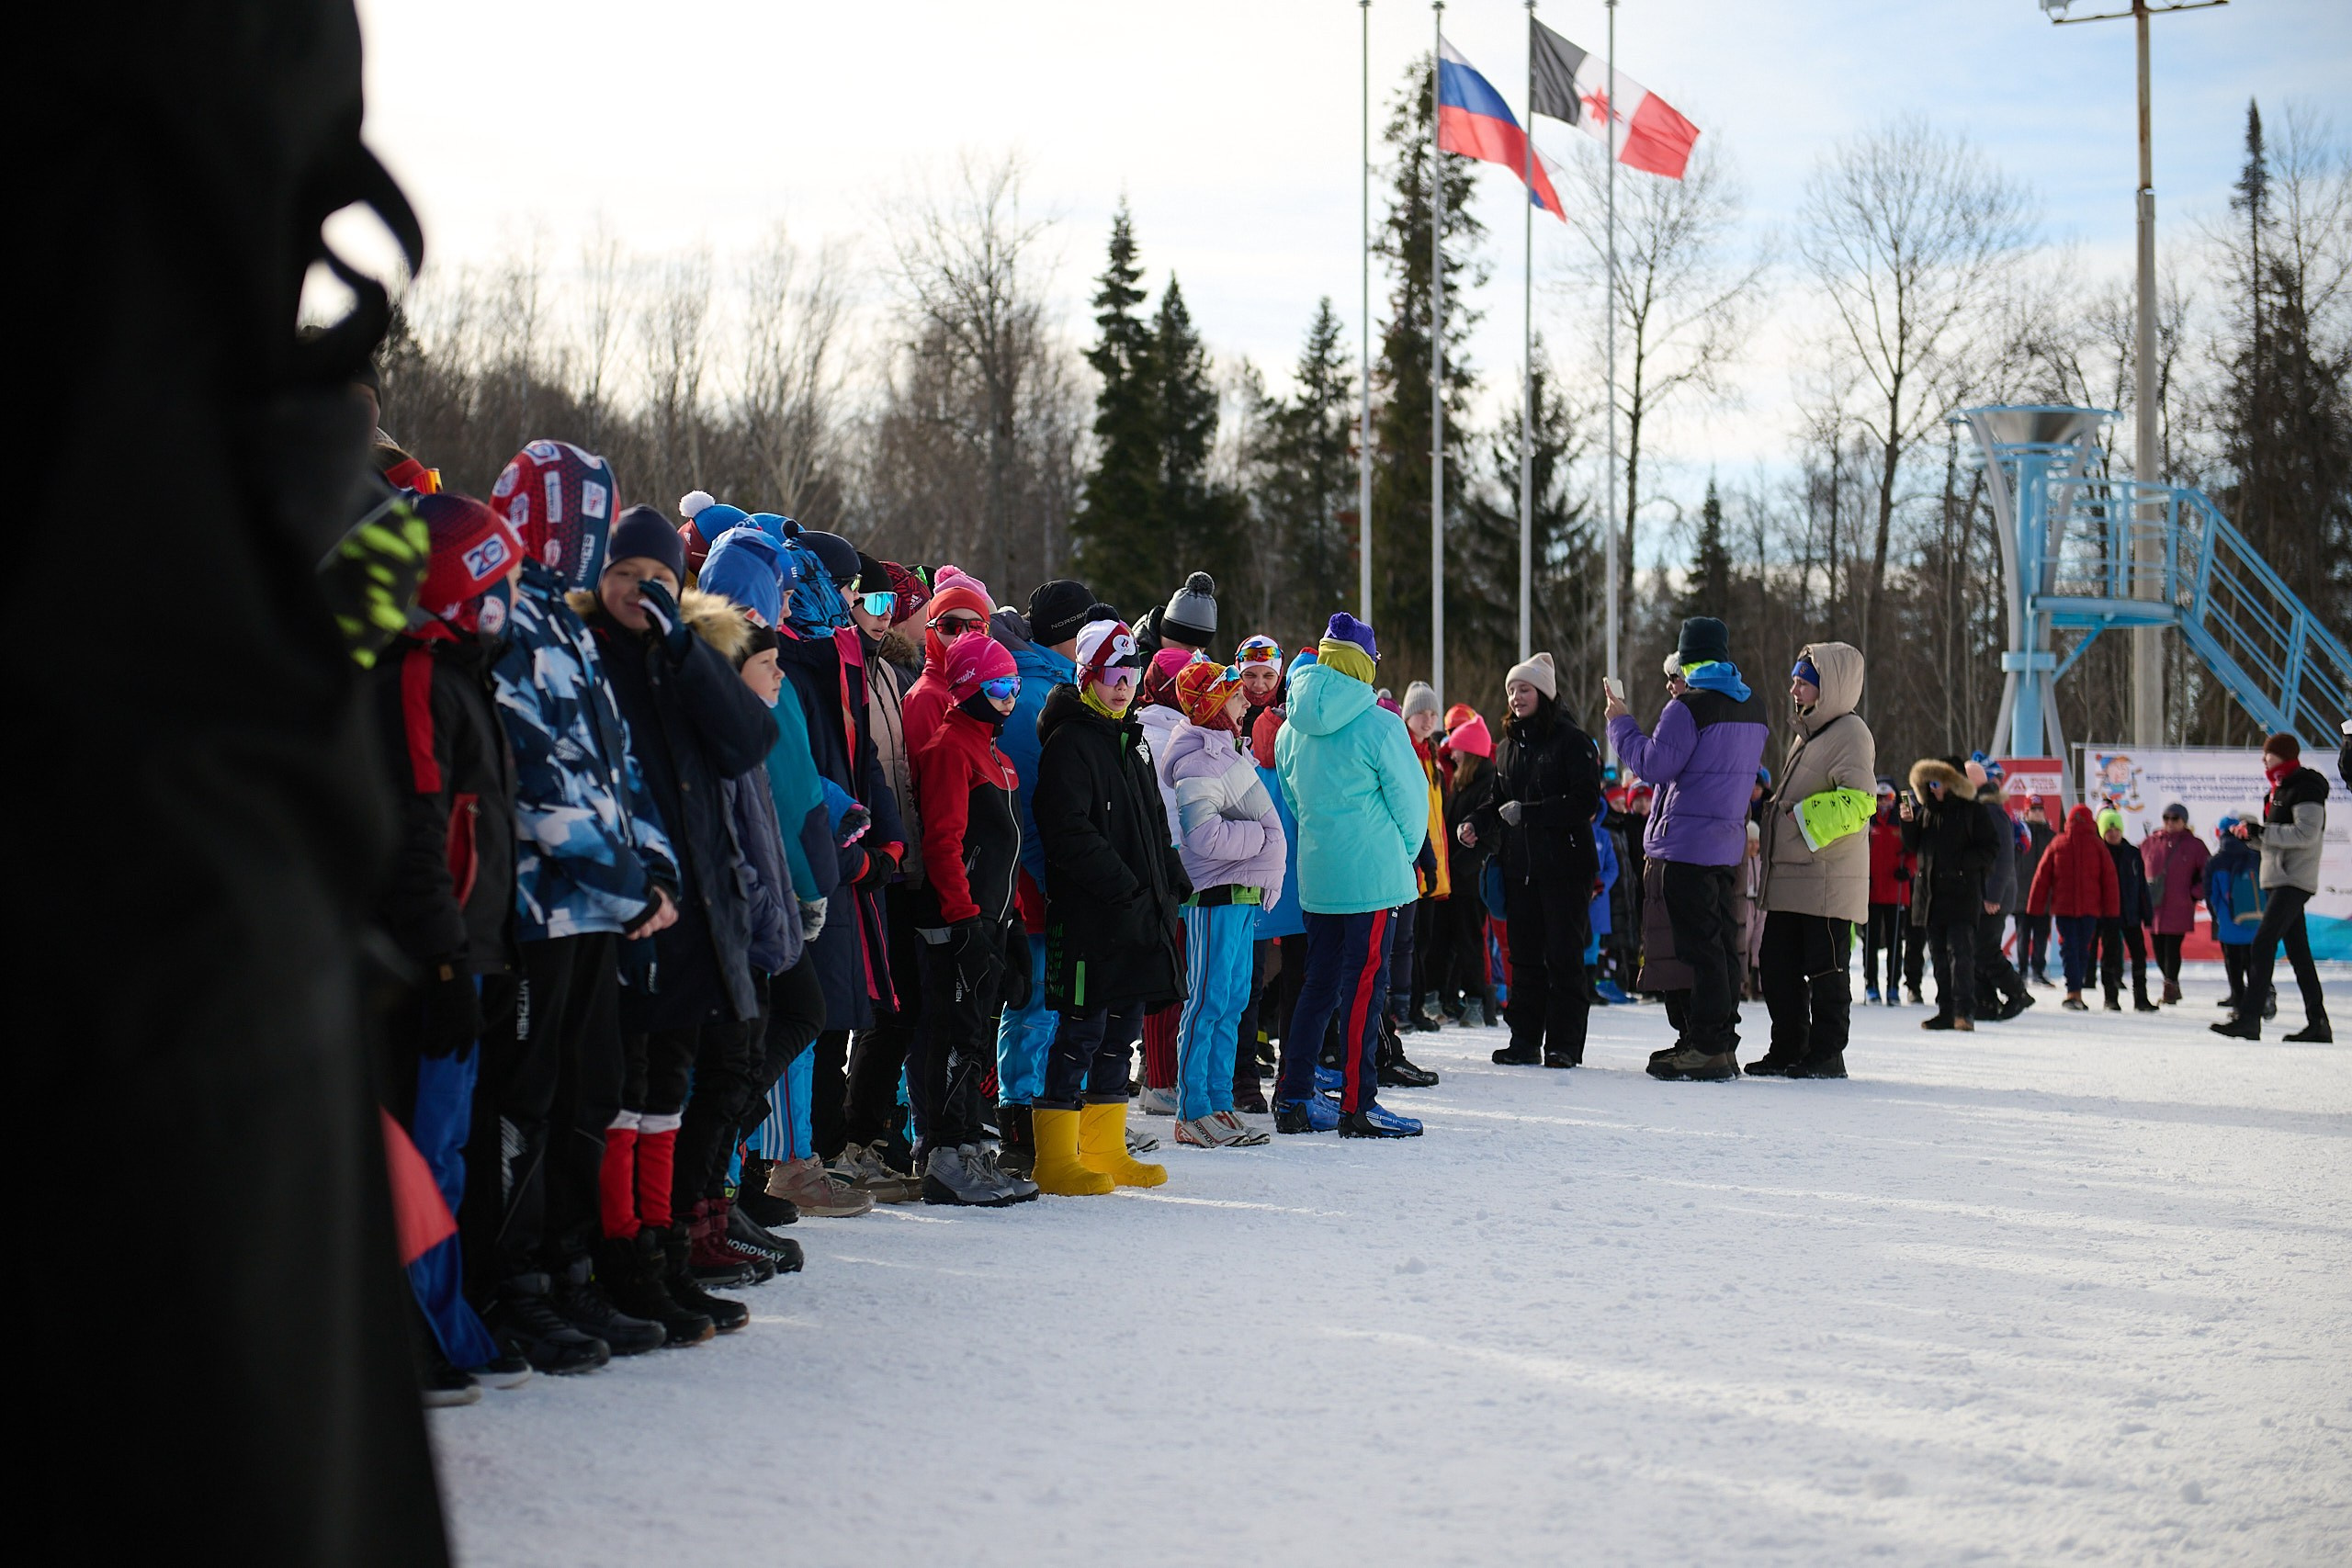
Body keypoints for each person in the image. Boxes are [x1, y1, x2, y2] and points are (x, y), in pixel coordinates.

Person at [476, 441, 680, 1368]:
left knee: (590, 1095)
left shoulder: (567, 626)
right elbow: (534, 781)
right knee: (531, 1096)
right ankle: (513, 1283)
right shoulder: (504, 623)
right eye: (569, 518)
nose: (579, 537)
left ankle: (568, 1273)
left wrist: (656, 870)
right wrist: (625, 880)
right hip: (541, 909)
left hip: (603, 909)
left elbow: (620, 768)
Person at [582, 504, 781, 1343]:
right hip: (623, 909)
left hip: (694, 908)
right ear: (600, 578)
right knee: (623, 1095)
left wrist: (681, 646)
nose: (642, 591)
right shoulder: (584, 655)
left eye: (659, 579)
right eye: (627, 575)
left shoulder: (684, 654)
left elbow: (748, 740)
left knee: (667, 1089)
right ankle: (619, 1259)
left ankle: (660, 1260)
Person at [370, 492, 532, 1402]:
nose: (509, 596)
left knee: (455, 1157)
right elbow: (418, 833)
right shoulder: (417, 680)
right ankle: (408, 1331)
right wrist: (441, 961)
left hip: (473, 952)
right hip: (428, 959)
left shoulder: (467, 676)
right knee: (420, 1157)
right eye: (497, 580)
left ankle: (448, 1317)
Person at [1029, 619, 1184, 1192]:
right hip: (1095, 915)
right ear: (1087, 676)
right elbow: (1067, 831)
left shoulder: (1131, 738)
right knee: (1081, 1031)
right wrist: (1121, 886)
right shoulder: (1071, 742)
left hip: (1137, 913)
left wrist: (1171, 879)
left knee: (1123, 1030)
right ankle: (1056, 1157)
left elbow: (1152, 822)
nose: (1123, 685)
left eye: (1130, 673)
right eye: (1110, 675)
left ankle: (1103, 1146)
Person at [1272, 614, 1431, 1136]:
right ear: (1364, 663)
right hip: (1371, 879)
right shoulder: (1381, 724)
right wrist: (1401, 854)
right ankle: (1357, 1103)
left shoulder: (1291, 727)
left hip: (1319, 879)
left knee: (1316, 985)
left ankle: (1293, 1095)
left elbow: (1294, 802)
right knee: (1365, 988)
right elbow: (1412, 807)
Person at [909, 630, 1044, 1205]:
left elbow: (1006, 851)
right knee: (952, 1035)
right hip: (954, 923)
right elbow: (944, 842)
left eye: (1013, 684)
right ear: (967, 689)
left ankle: (966, 1144)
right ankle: (942, 1152)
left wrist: (1009, 923)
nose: (1010, 697)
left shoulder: (996, 754)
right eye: (999, 686)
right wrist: (964, 923)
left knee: (977, 1034)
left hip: (990, 918)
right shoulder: (948, 748)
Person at [1604, 617, 1770, 1081]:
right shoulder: (1752, 706)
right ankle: (1713, 1038)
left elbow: (1653, 766)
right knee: (1718, 946)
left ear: (1686, 659)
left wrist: (1621, 724)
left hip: (1682, 847)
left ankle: (1707, 1046)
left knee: (1695, 950)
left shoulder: (1687, 707)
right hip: (1725, 846)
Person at [989, 581, 1103, 1170]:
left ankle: (1042, 1114)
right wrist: (1057, 878)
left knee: (1045, 999)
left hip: (1042, 872)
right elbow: (1035, 805)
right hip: (1036, 875)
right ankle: (1021, 1119)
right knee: (1033, 997)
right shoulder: (1037, 694)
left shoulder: (1048, 686)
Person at [1162, 658, 1286, 1147]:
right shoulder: (1197, 760)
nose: (1244, 700)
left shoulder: (1227, 752)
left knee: (1233, 999)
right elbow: (1203, 836)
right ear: (1213, 704)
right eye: (1234, 694)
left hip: (1241, 892)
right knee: (1208, 999)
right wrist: (1260, 836)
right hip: (1215, 893)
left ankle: (1217, 1101)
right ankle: (1192, 1108)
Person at [1463, 652, 1602, 1067]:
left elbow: (1585, 801)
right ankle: (1524, 1038)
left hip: (1566, 869)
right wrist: (1476, 821)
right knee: (1523, 959)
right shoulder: (1507, 748)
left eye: (1524, 689)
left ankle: (1562, 1044)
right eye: (1511, 690)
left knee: (1564, 957)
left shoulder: (1573, 741)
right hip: (1520, 868)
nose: (1516, 697)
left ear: (1544, 692)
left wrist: (1532, 812)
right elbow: (1498, 801)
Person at [1749, 643, 1876, 1078]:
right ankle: (1788, 1046)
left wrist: (1799, 819)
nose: (1793, 689)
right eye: (1795, 680)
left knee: (1825, 971)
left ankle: (1826, 1054)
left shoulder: (1851, 734)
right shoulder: (1811, 732)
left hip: (1826, 880)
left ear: (1831, 688)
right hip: (1792, 876)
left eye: (1803, 682)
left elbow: (1860, 802)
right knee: (1776, 963)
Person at [2213, 733, 2333, 1042]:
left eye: (2269, 754)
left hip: (2293, 878)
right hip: (2279, 877)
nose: (2263, 759)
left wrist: (2263, 831)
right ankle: (2318, 1022)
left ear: (2283, 755)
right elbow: (2274, 838)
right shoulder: (2277, 790)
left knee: (2263, 943)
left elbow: (2305, 834)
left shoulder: (2305, 786)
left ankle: (2250, 1017)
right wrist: (2252, 837)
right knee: (2299, 953)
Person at [1899, 757, 1999, 1031]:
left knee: (1962, 955)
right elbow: (1913, 846)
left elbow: (1991, 848)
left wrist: (1963, 865)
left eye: (1937, 783)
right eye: (1929, 784)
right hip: (1931, 897)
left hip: (1961, 895)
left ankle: (1964, 1011)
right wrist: (1908, 823)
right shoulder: (1928, 811)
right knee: (1939, 957)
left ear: (1952, 783)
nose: (1933, 790)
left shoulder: (1972, 811)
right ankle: (1946, 1011)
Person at [2025, 804, 2120, 1010]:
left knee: (2070, 949)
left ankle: (2073, 991)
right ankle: (2075, 992)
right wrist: (2111, 911)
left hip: (2065, 909)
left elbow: (2042, 878)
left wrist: (2035, 907)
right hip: (2088, 910)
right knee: (2081, 950)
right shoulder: (2097, 845)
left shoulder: (2058, 843)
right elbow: (2110, 881)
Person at [1441, 711, 1501, 1021]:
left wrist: (1465, 866)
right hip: (1457, 876)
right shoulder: (1465, 782)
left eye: (1458, 747)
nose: (1452, 752)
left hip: (1469, 877)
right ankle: (1456, 998)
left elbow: (1490, 834)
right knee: (1454, 940)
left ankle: (1478, 1000)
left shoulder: (1486, 784)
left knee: (1469, 941)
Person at [1966, 762, 2034, 1023]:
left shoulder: (1990, 811)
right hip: (1987, 892)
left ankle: (2017, 992)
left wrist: (1993, 895)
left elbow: (2004, 857)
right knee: (1976, 948)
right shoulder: (1983, 808)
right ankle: (1986, 1002)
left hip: (1994, 894)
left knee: (1985, 949)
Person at [2141, 802, 2210, 1005]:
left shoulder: (2195, 845)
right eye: (2166, 818)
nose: (2170, 822)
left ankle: (2169, 988)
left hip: (2179, 906)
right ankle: (2172, 984)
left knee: (2172, 949)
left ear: (2184, 821)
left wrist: (2194, 894)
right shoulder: (2150, 842)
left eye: (2175, 818)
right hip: (2155, 906)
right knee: (2159, 950)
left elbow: (2208, 873)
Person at [2097, 808, 2159, 1013]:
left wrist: (2146, 913)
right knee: (2110, 956)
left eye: (2116, 829)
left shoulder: (2132, 853)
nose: (2113, 833)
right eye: (2109, 829)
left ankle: (2141, 998)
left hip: (2131, 913)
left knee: (2139, 954)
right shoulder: (2100, 853)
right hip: (2109, 915)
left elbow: (2141, 886)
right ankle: (2110, 998)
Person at [2204, 810, 2264, 1017]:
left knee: (2234, 966)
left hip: (2228, 924)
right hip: (2254, 922)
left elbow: (2210, 895)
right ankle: (2257, 1004)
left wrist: (2218, 917)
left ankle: (2239, 1006)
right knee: (2254, 965)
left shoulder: (2216, 861)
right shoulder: (2255, 855)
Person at [1862, 781, 1912, 1005]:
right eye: (1879, 797)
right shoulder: (1868, 820)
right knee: (1870, 941)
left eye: (1887, 797)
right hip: (1871, 891)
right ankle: (1870, 984)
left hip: (1896, 891)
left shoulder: (1901, 821)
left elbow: (1913, 849)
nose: (1883, 802)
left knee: (1894, 941)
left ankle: (1893, 986)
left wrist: (1908, 870)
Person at [2015, 796, 2056, 987]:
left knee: (2041, 934)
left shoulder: (2051, 836)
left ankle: (2038, 971)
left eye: (2041, 808)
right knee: (2023, 935)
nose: (2038, 812)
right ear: (2026, 811)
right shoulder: (2020, 835)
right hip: (2022, 894)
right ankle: (2022, 971)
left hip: (2043, 895)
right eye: (2034, 809)